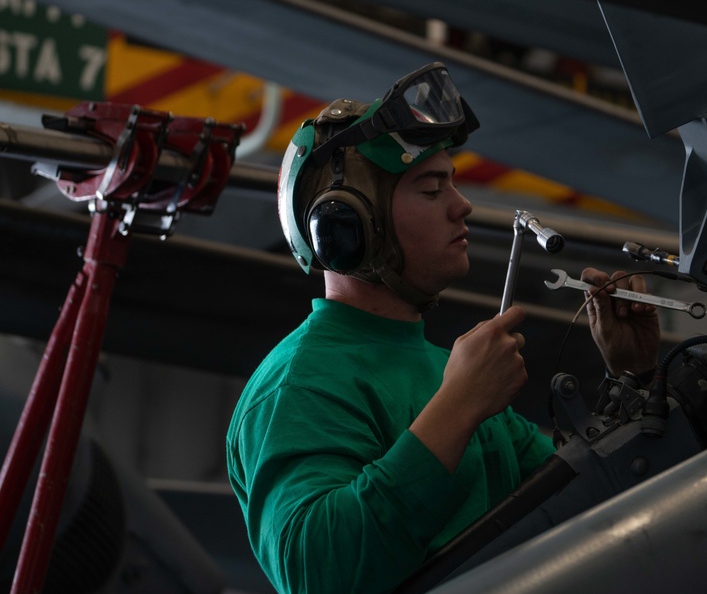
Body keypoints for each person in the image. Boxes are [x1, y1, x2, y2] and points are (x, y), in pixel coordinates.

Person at [225, 62, 660, 594]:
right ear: (349, 229)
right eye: (432, 190)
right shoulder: (299, 386)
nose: (463, 206)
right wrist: (456, 407)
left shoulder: (442, 370)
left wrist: (632, 377)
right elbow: (318, 572)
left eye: (451, 184)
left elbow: (586, 505)